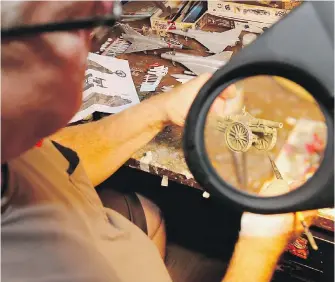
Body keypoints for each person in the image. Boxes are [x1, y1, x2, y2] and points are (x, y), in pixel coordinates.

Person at [1, 2, 316, 282]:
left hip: (95, 228)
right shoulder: (44, 264)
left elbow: (55, 159)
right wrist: (262, 241)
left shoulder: (14, 136)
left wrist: (158, 110)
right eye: (80, 23)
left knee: (148, 213)